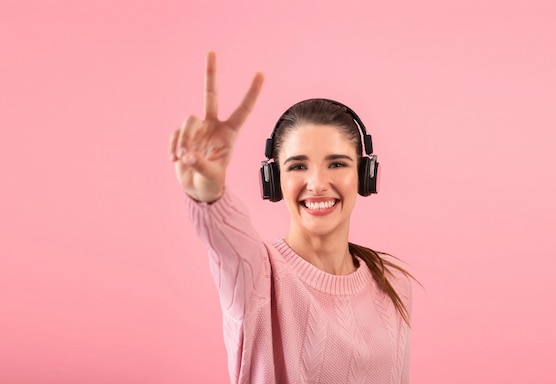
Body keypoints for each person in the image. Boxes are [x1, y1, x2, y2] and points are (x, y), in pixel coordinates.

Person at [170, 51, 414, 384]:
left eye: (337, 163)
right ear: (274, 181)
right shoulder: (257, 276)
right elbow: (227, 243)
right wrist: (209, 194)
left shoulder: (391, 280)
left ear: (364, 174)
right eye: (298, 166)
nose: (316, 183)